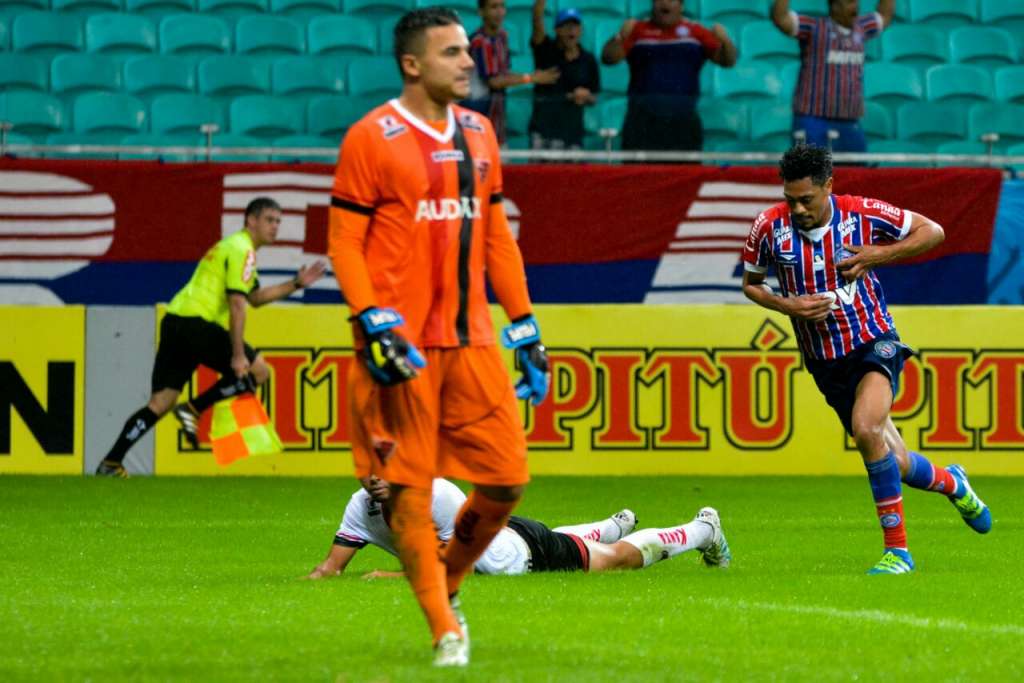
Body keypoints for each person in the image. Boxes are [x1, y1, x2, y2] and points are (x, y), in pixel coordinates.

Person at [327, 7, 550, 667]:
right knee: (406, 488)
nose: (469, 62)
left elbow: (496, 238)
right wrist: (372, 319)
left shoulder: (481, 132)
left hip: (474, 340)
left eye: (467, 51)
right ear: (413, 63)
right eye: (452, 52)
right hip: (403, 348)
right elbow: (343, 241)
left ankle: (447, 579)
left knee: (508, 479)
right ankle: (443, 626)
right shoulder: (372, 136)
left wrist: (525, 324)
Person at [740, 144, 991, 575]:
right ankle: (954, 483)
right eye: (790, 199)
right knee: (892, 458)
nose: (797, 208)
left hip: (873, 340)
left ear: (829, 187)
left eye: (807, 199)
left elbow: (933, 231)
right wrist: (789, 306)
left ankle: (899, 552)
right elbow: (751, 284)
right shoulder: (767, 227)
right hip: (825, 360)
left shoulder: (862, 214)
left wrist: (879, 254)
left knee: (865, 427)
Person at [94, 198, 326, 478]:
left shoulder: (233, 247)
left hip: (175, 321)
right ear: (251, 220)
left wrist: (296, 284)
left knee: (161, 402)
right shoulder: (243, 250)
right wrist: (238, 355)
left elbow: (255, 298)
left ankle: (111, 462)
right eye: (269, 219)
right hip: (198, 324)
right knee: (259, 371)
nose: (275, 226)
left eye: (278, 221)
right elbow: (238, 305)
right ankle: (194, 408)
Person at [306, 478, 731, 580]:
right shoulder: (362, 507)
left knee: (617, 561)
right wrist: (315, 581)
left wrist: (390, 576)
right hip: (504, 539)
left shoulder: (436, 494)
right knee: (581, 542)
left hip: (523, 554)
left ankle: (702, 529)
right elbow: (331, 567)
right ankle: (609, 525)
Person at [600, 0, 737, 153]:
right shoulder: (637, 30)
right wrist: (620, 36)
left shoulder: (696, 32)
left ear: (681, 6)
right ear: (652, 5)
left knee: (686, 175)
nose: (665, 3)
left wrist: (725, 40)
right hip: (641, 122)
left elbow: (728, 61)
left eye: (671, 0)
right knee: (637, 175)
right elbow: (608, 58)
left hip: (683, 121)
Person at [771, 0, 894, 152]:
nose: (855, 6)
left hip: (849, 122)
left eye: (856, 2)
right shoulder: (814, 28)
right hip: (813, 120)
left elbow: (885, 15)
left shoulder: (861, 28)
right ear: (834, 6)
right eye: (849, 2)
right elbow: (781, 18)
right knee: (813, 173)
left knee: (857, 174)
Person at [463, 0, 559, 144]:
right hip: (476, 118)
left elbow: (504, 74)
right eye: (493, 7)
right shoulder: (479, 42)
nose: (499, 12)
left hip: (497, 120)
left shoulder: (502, 37)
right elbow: (494, 81)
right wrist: (531, 78)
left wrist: (534, 77)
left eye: (502, 6)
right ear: (481, 12)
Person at [528, 2, 601, 151]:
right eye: (566, 26)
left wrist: (586, 96)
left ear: (581, 30)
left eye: (575, 26)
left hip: (572, 134)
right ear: (556, 30)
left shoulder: (588, 60)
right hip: (544, 131)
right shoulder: (546, 51)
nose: (571, 30)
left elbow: (594, 97)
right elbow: (537, 21)